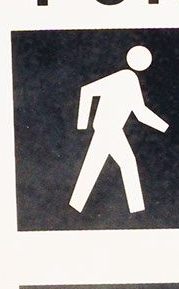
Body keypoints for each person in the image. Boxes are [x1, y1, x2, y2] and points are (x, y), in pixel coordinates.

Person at [69, 45, 168, 214]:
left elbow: (140, 113)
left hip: (109, 130)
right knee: (127, 163)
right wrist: (82, 124)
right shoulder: (126, 77)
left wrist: (164, 127)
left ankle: (75, 206)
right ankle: (137, 210)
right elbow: (87, 90)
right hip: (108, 130)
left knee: (95, 166)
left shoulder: (130, 79)